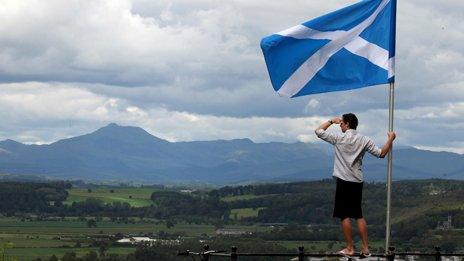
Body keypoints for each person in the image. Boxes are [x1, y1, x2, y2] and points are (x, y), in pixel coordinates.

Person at [315, 113, 396, 257]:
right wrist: (390, 139)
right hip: (357, 181)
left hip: (343, 181)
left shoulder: (339, 138)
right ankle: (365, 248)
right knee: (358, 215)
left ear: (346, 124)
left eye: (341, 123)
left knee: (344, 215)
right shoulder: (364, 139)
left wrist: (331, 121)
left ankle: (350, 248)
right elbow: (381, 153)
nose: (340, 125)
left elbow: (318, 132)